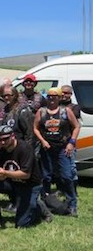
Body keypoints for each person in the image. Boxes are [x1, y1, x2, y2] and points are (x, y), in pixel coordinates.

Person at [0, 125, 43, 228]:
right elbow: (0, 171)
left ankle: (39, 208)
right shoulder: (1, 150)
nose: (3, 142)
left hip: (30, 185)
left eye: (5, 139)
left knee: (22, 224)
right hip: (12, 183)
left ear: (13, 136)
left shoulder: (25, 148)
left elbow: (26, 175)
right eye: (0, 140)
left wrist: (5, 173)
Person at [33, 87, 80, 217]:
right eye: (49, 96)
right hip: (47, 148)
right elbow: (35, 128)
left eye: (54, 96)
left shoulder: (66, 111)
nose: (52, 98)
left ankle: (72, 204)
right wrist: (42, 141)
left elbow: (76, 126)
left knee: (66, 176)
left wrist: (71, 142)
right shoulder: (41, 112)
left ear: (59, 98)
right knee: (46, 177)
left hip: (63, 148)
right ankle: (46, 203)